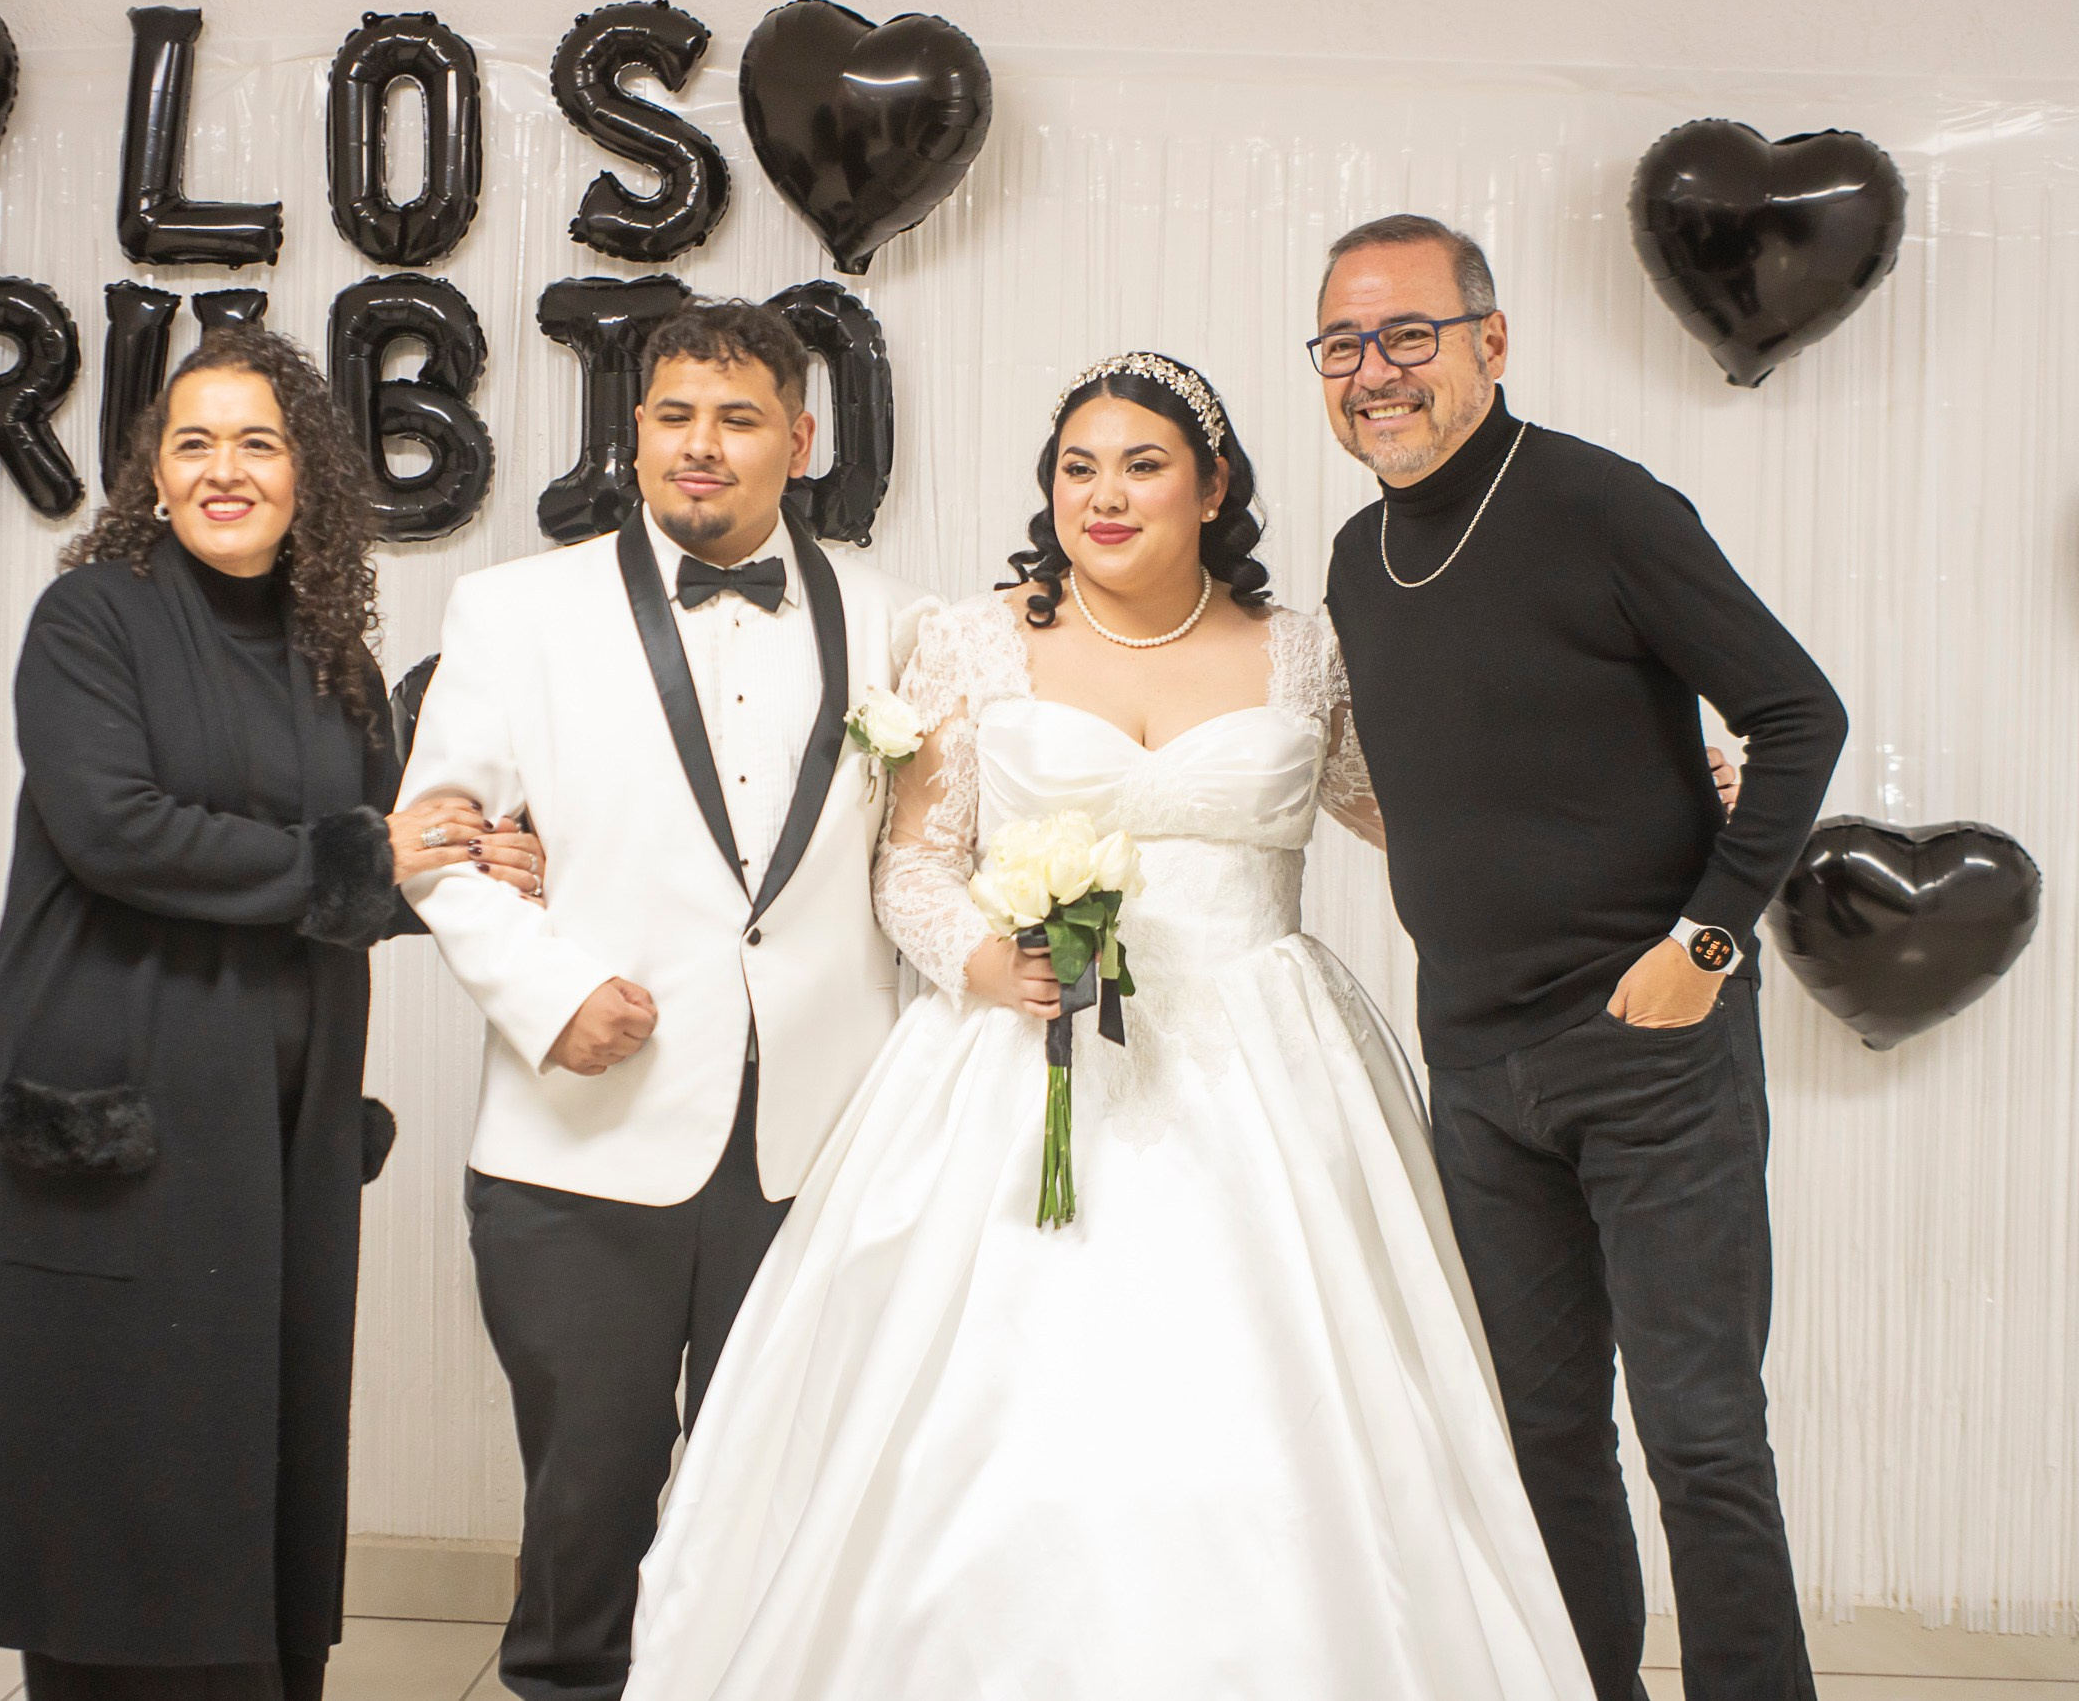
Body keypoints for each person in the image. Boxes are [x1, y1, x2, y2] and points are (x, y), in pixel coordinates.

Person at [621, 351, 1598, 1699]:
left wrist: (1645, 785)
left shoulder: (1307, 650)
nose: (1105, 493)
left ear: (1214, 486)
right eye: (1078, 466)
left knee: (1282, 1412)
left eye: (1142, 463)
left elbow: (1421, 811)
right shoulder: (971, 639)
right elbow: (913, 859)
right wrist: (980, 955)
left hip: (1269, 1064)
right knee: (1004, 1415)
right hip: (1021, 1054)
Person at [0, 329, 543, 1701]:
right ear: (151, 473)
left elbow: (350, 861)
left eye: (258, 441)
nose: (225, 469)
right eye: (193, 442)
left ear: (308, 473)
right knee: (129, 1451)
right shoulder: (92, 618)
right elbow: (120, 831)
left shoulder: (329, 645)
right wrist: (370, 859)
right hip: (129, 1098)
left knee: (259, 1440)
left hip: (280, 1112)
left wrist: (459, 866)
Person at [1318, 215, 1849, 1701]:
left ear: (1491, 340)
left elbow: (1800, 713)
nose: (1377, 371)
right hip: (1476, 1073)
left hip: (1653, 1051)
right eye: (1346, 344)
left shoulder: (1602, 503)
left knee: (1699, 1430)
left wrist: (1707, 934)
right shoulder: (1359, 559)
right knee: (1541, 1440)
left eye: (1410, 333)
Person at [396, 300, 933, 1701]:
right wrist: (548, 988)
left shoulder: (896, 621)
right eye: (675, 414)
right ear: (635, 428)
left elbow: (929, 852)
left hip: (822, 1136)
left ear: (800, 440)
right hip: (587, 1131)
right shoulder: (513, 610)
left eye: (739, 417)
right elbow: (440, 837)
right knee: (591, 1500)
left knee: (789, 1495)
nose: (702, 446)